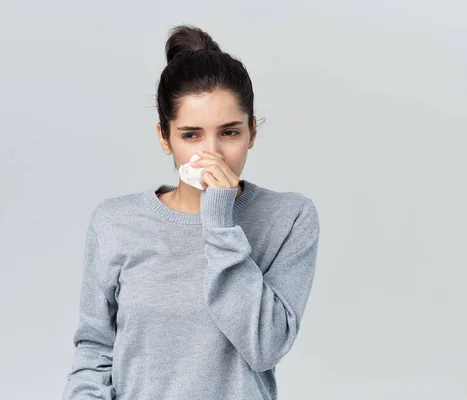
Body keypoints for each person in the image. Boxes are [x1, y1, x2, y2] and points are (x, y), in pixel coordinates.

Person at [62, 24, 320, 400]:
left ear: (252, 132)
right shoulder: (115, 223)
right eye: (191, 135)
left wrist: (218, 220)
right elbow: (95, 348)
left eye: (229, 133)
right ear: (164, 138)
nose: (211, 153)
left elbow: (266, 346)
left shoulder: (290, 217)